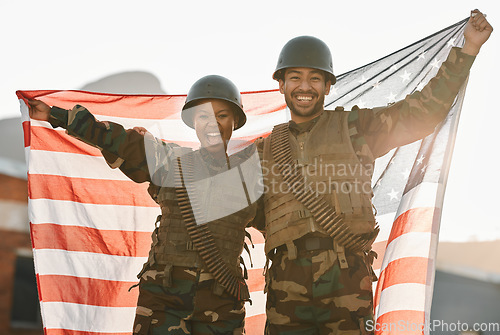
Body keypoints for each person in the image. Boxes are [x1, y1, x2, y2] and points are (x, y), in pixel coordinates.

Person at [255, 9, 493, 335]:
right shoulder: (264, 150)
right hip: (285, 286)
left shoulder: (357, 127)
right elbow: (238, 212)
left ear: (327, 86)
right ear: (281, 85)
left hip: (346, 281)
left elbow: (423, 112)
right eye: (294, 77)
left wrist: (467, 50)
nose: (304, 86)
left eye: (314, 78)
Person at [28, 75, 263, 335]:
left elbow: (282, 226)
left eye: (221, 116)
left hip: (223, 302)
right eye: (203, 116)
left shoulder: (250, 179)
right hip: (165, 298)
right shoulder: (170, 161)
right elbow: (116, 140)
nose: (212, 124)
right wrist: (56, 115)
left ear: (234, 122)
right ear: (194, 123)